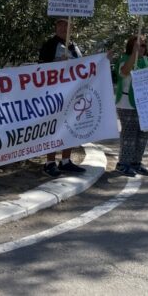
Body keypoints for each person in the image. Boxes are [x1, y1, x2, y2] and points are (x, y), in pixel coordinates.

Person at [38, 18, 87, 177]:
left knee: (70, 127)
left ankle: (66, 161)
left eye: (67, 25)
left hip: (73, 93)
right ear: (55, 27)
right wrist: (56, 62)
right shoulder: (50, 45)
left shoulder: (75, 46)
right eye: (60, 25)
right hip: (54, 94)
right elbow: (40, 67)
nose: (63, 28)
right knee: (54, 128)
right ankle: (49, 163)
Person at [114, 35, 148, 177]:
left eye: (142, 46)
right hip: (126, 103)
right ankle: (123, 163)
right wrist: (133, 55)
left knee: (143, 135)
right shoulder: (124, 59)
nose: (140, 48)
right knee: (129, 135)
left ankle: (136, 162)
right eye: (137, 45)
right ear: (131, 46)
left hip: (145, 104)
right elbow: (124, 72)